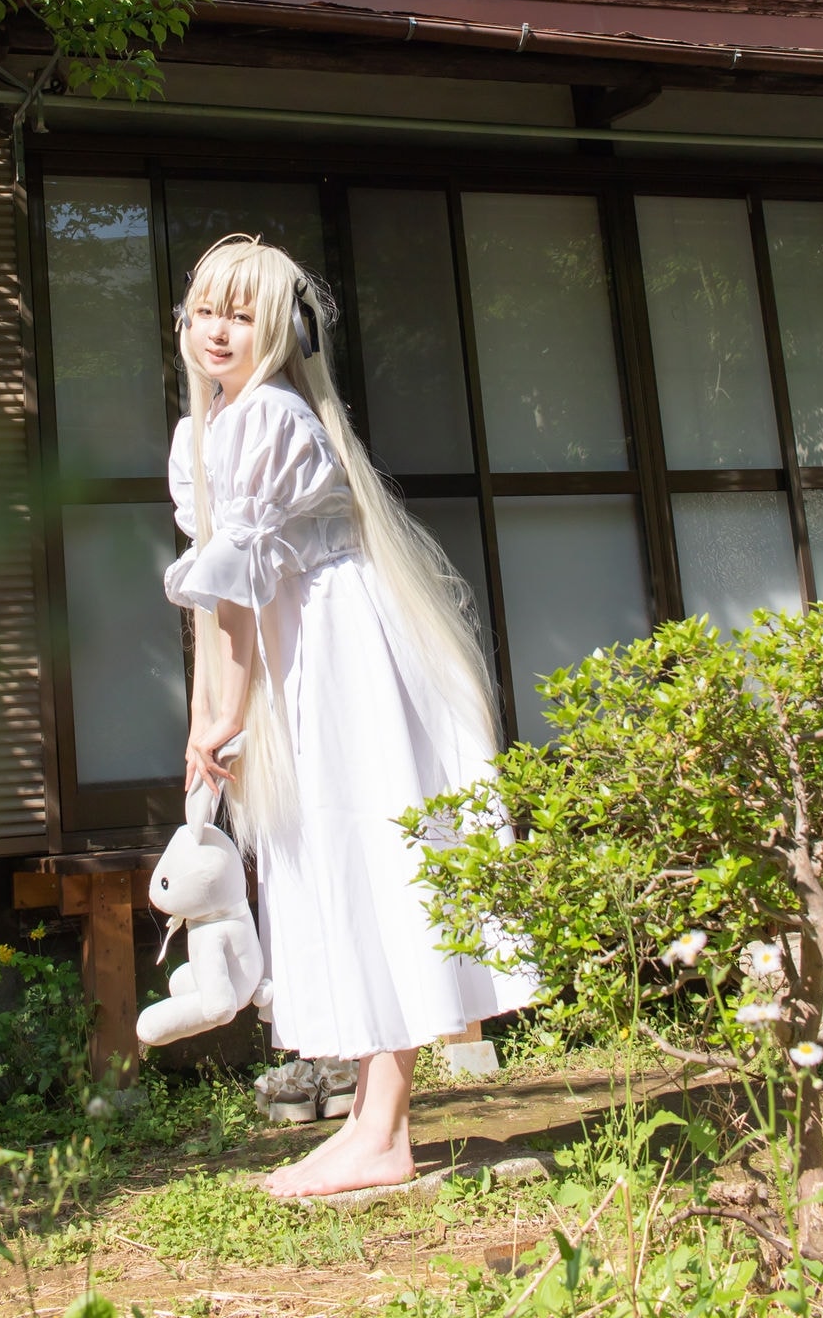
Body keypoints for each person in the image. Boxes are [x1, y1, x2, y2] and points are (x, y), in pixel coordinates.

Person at [163, 235, 535, 1199]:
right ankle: (374, 1122)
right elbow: (216, 593)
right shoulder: (214, 427)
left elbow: (239, 590)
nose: (218, 329)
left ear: (279, 329)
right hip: (312, 651)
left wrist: (221, 714)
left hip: (341, 655)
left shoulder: (264, 416)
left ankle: (383, 1130)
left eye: (243, 313)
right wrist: (210, 714)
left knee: (373, 857)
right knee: (348, 859)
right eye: (205, 309)